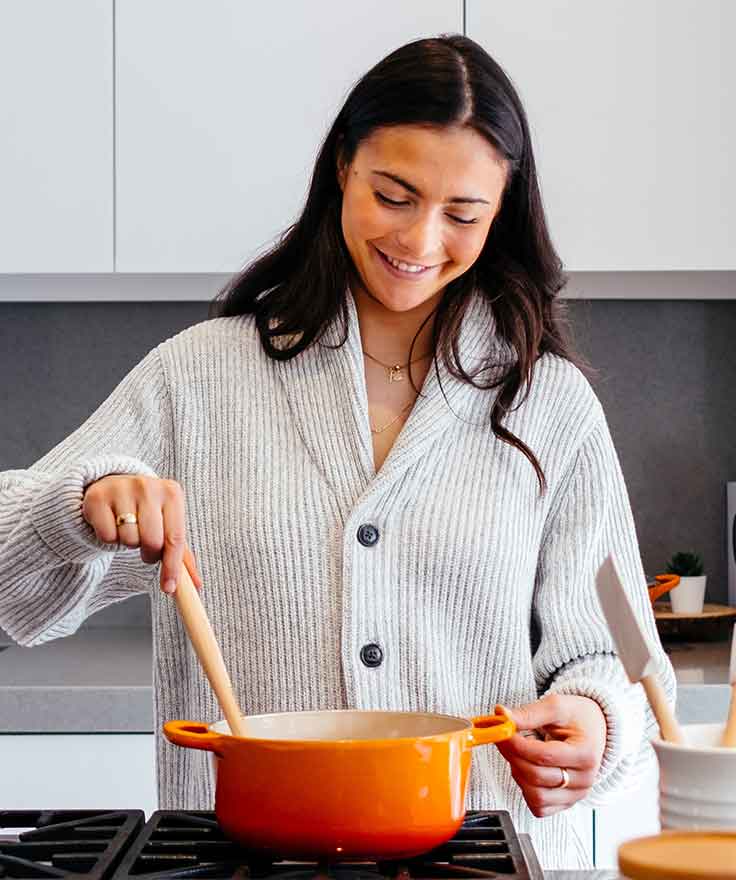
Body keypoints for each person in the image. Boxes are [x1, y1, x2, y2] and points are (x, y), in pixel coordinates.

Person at [0, 34, 675, 868]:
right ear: (342, 171)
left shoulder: (549, 403)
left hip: (492, 855)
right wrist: (78, 507)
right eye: (395, 195)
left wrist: (594, 723)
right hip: (249, 858)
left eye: (463, 214)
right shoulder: (201, 378)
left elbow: (617, 659)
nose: (423, 240)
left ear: (501, 215)